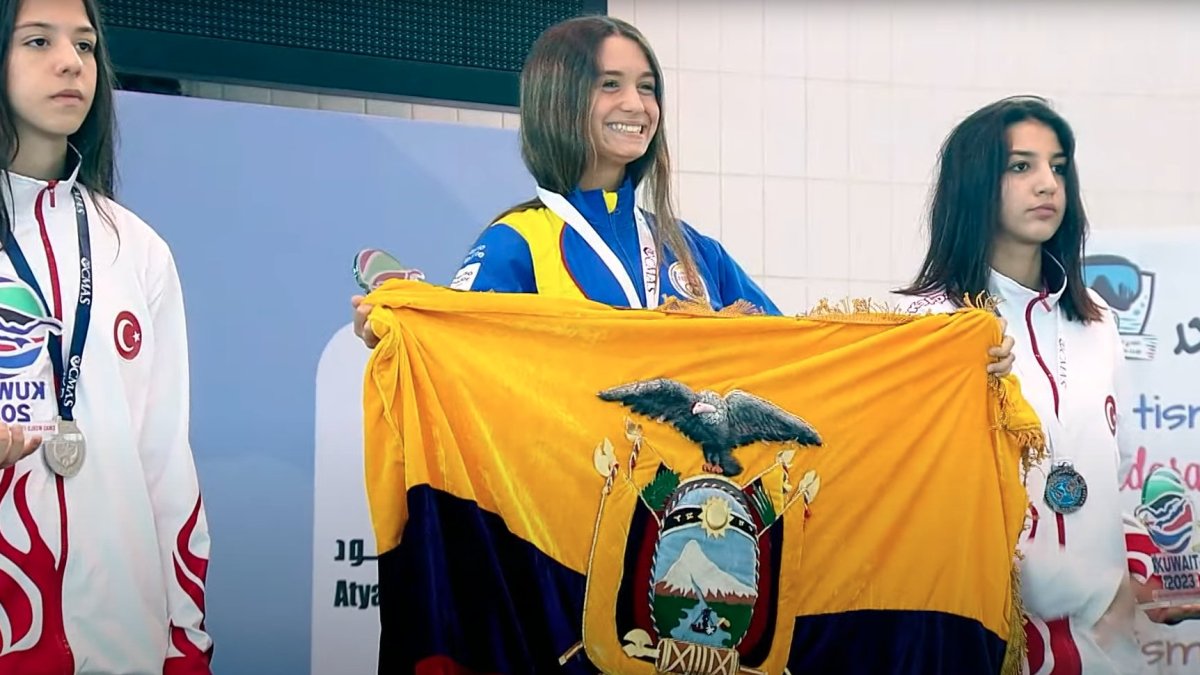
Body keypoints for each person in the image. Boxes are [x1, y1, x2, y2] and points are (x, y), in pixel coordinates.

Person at [350, 15, 1015, 378]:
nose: (636, 105)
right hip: (566, 529)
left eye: (648, 87)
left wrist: (942, 354)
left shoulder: (691, 251)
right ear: (558, 98)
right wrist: (405, 328)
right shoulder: (515, 244)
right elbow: (463, 364)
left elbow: (799, 354)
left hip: (685, 527)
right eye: (610, 84)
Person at [896, 95, 1194, 674]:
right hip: (981, 643)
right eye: (1021, 166)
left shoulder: (1100, 321)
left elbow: (1123, 468)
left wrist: (1144, 580)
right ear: (975, 183)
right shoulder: (925, 323)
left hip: (1106, 647)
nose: (1047, 184)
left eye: (1058, 167)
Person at [0, 0, 211, 672]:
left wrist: (184, 645)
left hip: (123, 645)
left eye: (85, 46)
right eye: (37, 40)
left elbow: (166, 468)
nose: (70, 63)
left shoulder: (138, 251)